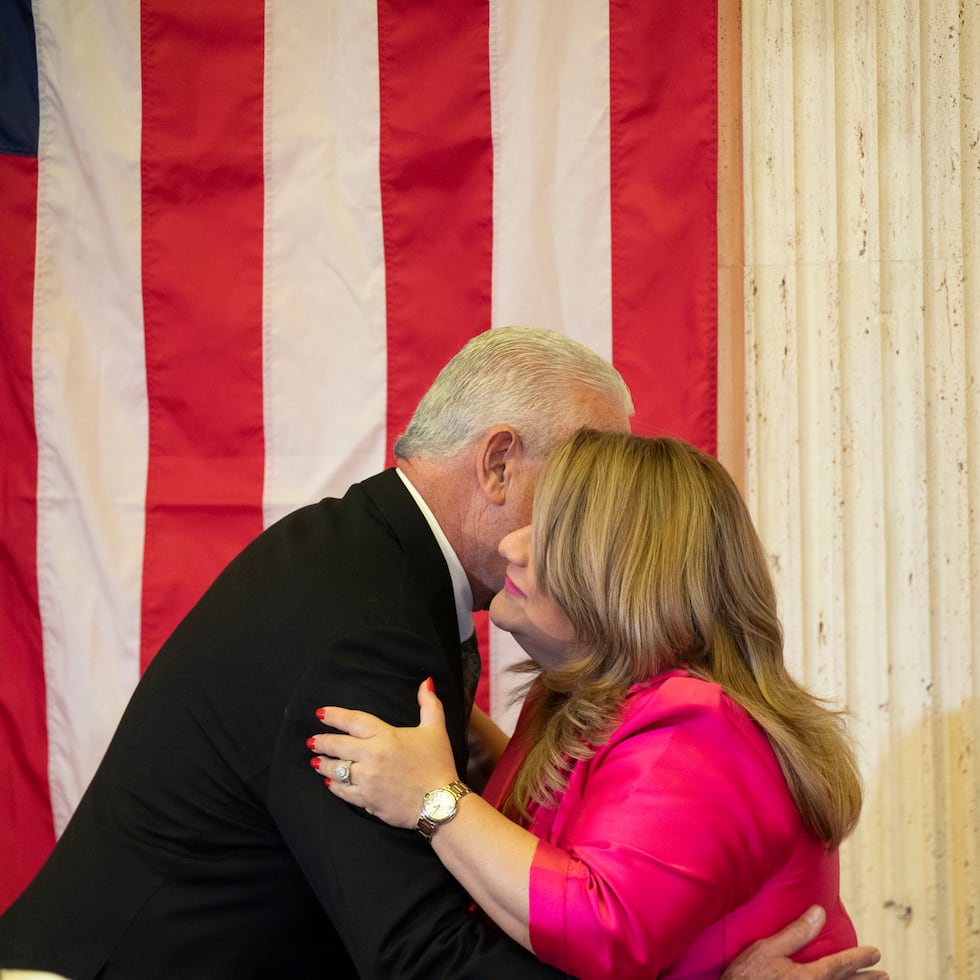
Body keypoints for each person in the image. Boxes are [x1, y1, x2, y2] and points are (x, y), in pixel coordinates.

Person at [0, 328, 881, 979]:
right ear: (499, 465)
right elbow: (428, 957)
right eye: (573, 486)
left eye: (591, 508)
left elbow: (565, 904)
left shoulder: (375, 571)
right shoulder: (363, 621)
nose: (566, 524)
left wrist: (443, 793)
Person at [310, 430, 888, 979]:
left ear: (627, 578)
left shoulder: (702, 723)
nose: (512, 544)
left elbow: (603, 928)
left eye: (553, 534)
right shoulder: (579, 696)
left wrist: (431, 798)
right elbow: (552, 819)